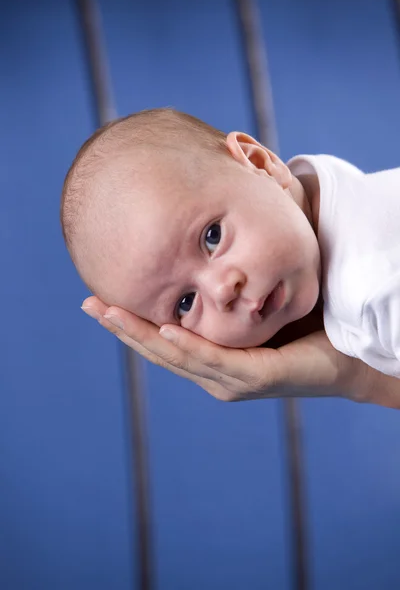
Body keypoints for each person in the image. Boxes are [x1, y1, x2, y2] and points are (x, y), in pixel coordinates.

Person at [60, 108, 400, 408]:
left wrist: (363, 376)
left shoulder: (372, 293)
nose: (223, 290)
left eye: (212, 237)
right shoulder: (327, 188)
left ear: (259, 162)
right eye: (185, 303)